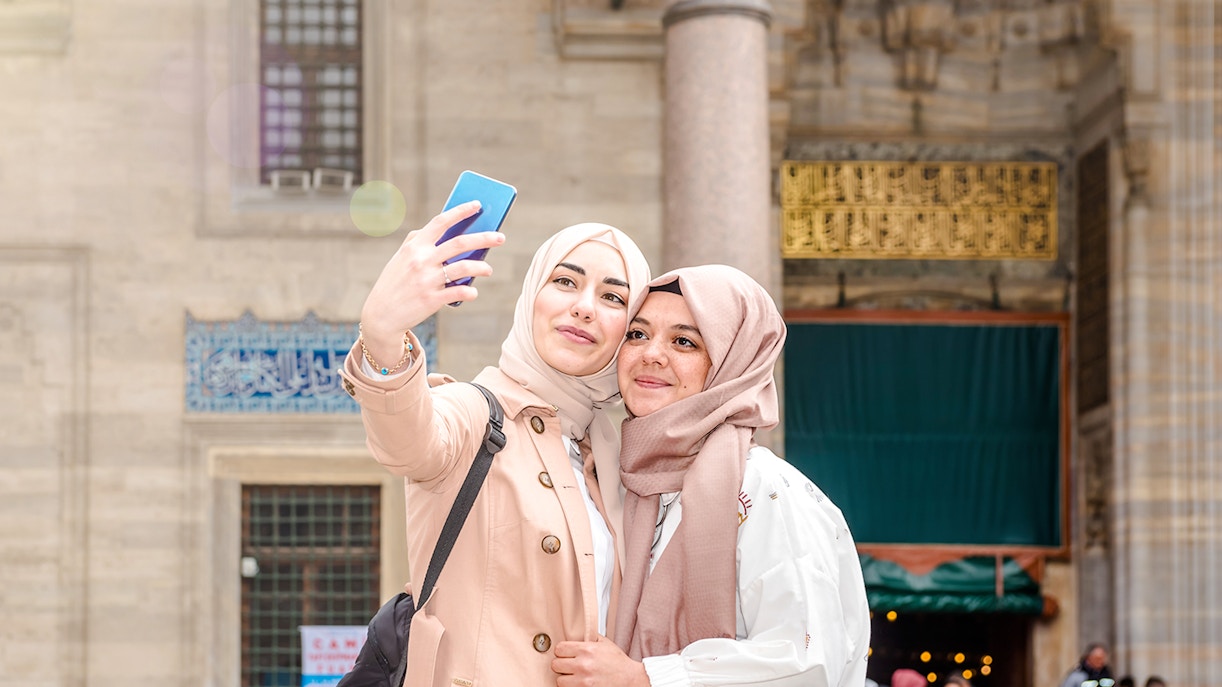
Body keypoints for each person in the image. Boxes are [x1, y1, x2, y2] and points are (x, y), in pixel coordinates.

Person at [340, 201, 651, 687]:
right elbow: (408, 443)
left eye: (613, 298)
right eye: (565, 282)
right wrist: (383, 336)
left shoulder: (612, 456)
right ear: (531, 297)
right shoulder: (475, 414)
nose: (585, 306)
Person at [551, 264, 872, 686]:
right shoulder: (622, 483)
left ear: (732, 363)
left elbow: (806, 662)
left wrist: (645, 679)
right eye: (637, 334)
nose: (651, 354)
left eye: (684, 341)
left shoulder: (763, 488)